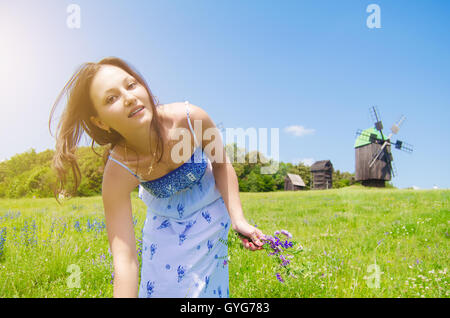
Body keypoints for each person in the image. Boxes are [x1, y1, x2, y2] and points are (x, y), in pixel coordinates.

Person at [49, 56, 265, 298]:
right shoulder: (118, 170)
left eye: (131, 85)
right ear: (100, 121)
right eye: (111, 98)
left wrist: (238, 219)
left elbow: (221, 164)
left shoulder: (190, 119)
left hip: (211, 212)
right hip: (164, 224)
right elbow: (125, 258)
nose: (129, 98)